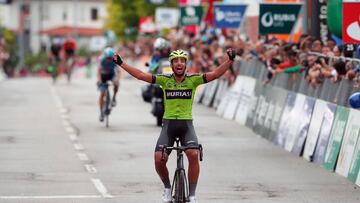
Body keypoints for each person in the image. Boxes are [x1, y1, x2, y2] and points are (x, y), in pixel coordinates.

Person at [113, 48, 236, 203]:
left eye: (182, 61)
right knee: (159, 158)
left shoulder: (194, 80)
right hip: (169, 125)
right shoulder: (165, 80)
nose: (179, 63)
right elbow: (140, 75)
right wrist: (121, 63)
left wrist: (230, 60)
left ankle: (192, 195)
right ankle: (167, 188)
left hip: (186, 125)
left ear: (186, 64)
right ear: (171, 65)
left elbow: (215, 74)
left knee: (193, 154)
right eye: (176, 61)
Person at [97, 47, 120, 122]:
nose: (109, 60)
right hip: (103, 76)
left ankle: (113, 97)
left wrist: (117, 79)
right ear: (105, 56)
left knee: (117, 84)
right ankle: (101, 112)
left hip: (111, 75)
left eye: (110, 58)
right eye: (108, 58)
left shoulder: (115, 60)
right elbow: (99, 71)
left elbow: (118, 72)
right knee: (102, 93)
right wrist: (99, 80)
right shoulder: (102, 60)